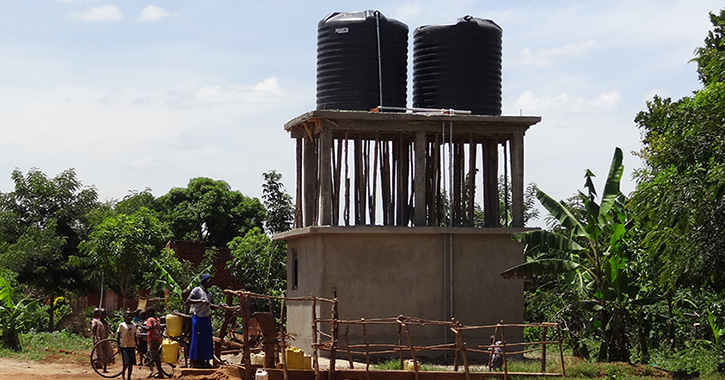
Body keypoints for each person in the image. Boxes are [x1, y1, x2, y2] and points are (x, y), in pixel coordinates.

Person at [186, 274, 221, 368]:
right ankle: (196, 361)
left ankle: (206, 361)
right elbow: (188, 300)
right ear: (204, 281)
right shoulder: (197, 290)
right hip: (198, 318)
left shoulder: (209, 294)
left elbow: (211, 306)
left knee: (207, 341)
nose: (211, 282)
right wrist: (200, 301)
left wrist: (219, 307)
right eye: (209, 280)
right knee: (197, 340)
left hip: (206, 319)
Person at [145, 307, 166, 378]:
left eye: (147, 313)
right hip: (157, 339)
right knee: (151, 356)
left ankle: (160, 373)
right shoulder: (157, 319)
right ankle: (153, 372)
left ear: (150, 313)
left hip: (152, 340)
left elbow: (149, 328)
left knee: (155, 358)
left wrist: (140, 325)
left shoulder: (150, 319)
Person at [116, 310, 137, 380]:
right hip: (124, 347)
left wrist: (137, 345)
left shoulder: (134, 326)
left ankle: (129, 377)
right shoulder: (122, 325)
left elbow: (135, 336)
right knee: (126, 362)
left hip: (131, 346)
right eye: (128, 316)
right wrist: (118, 345)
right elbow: (118, 335)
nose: (130, 317)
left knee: (131, 363)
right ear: (124, 317)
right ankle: (123, 374)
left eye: (131, 316)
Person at [91, 308, 112, 373]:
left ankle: (105, 369)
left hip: (105, 340)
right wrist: (95, 338)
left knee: (106, 355)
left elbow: (109, 330)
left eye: (105, 314)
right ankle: (97, 366)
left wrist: (111, 333)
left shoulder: (106, 323)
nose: (104, 315)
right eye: (102, 314)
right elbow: (93, 330)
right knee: (99, 354)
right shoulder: (97, 322)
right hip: (99, 340)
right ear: (99, 315)